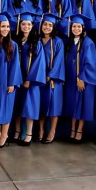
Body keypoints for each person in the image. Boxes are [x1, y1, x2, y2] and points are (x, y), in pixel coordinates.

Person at [12, 12, 46, 146]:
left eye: (28, 24)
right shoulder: (16, 41)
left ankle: (29, 134)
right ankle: (17, 131)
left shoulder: (36, 43)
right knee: (17, 106)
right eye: (23, 24)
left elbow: (39, 63)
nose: (26, 26)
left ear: (32, 26)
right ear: (20, 26)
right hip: (17, 79)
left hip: (29, 82)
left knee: (29, 107)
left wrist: (30, 80)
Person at [64, 14, 96, 143]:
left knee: (82, 106)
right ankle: (72, 130)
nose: (76, 29)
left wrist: (82, 78)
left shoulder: (88, 43)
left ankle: (79, 131)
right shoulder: (69, 42)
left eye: (79, 26)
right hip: (71, 81)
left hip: (83, 81)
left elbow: (91, 63)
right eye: (74, 26)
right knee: (73, 106)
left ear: (83, 28)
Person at [0, 12, 22, 147]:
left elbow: (16, 65)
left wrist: (12, 83)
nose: (6, 29)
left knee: (6, 108)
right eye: (3, 26)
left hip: (7, 82)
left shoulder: (12, 45)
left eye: (8, 27)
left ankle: (4, 135)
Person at [38, 13, 65, 144]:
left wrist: (50, 75)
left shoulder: (58, 41)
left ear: (53, 27)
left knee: (54, 106)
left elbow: (59, 61)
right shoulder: (37, 40)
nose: (47, 27)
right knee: (41, 105)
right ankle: (41, 130)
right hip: (39, 79)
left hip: (53, 79)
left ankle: (52, 131)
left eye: (50, 25)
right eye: (45, 24)